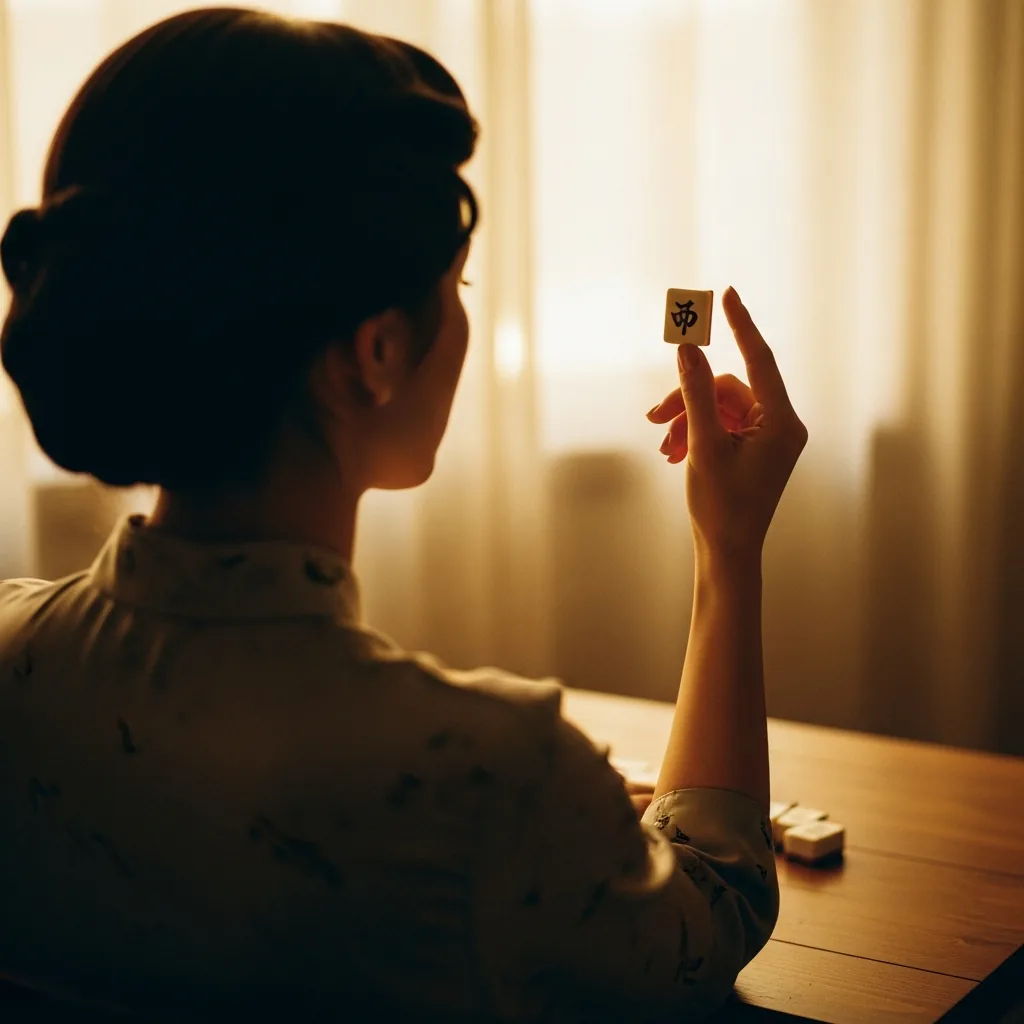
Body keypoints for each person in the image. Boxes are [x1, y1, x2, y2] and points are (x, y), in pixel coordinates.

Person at [0, 7, 806, 1022]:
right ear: (376, 352)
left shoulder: (14, 657)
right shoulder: (482, 774)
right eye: (457, 283)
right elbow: (713, 911)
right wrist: (728, 548)